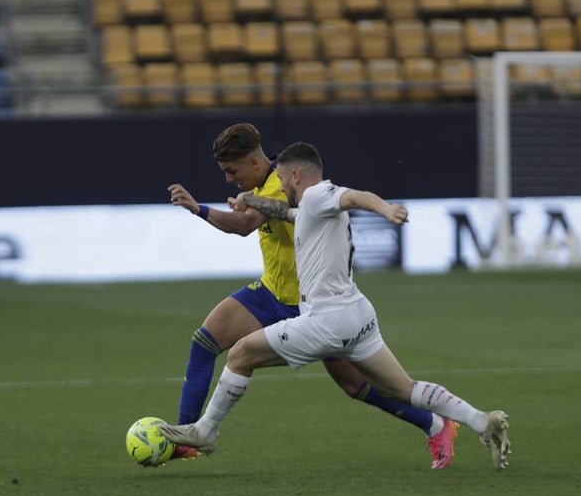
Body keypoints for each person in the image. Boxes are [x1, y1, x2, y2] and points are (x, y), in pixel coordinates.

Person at [161, 141, 511, 470]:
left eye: (282, 179)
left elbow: (353, 197)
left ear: (296, 175)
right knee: (404, 388)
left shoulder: (318, 194)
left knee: (240, 355)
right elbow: (286, 212)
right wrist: (251, 201)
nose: (280, 185)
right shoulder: (311, 207)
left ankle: (205, 431)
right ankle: (481, 420)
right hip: (358, 315)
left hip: (323, 321)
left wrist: (385, 208)